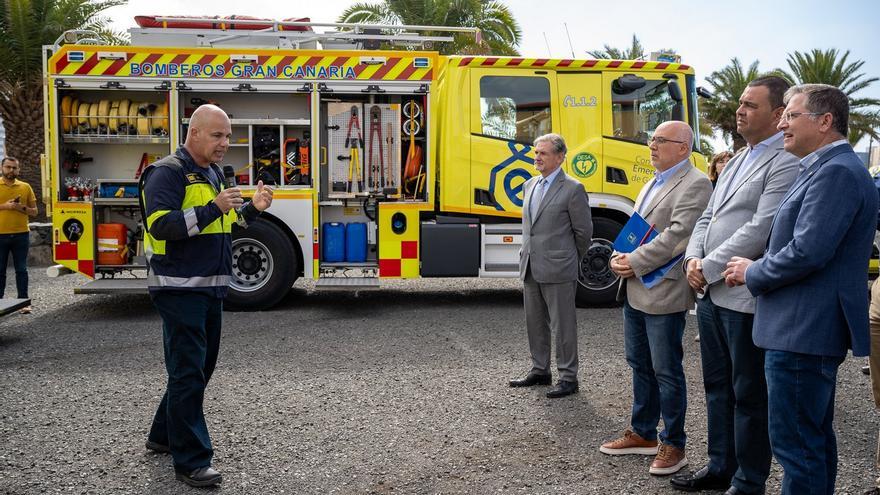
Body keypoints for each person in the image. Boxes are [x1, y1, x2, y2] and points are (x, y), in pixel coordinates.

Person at [725, 84, 877, 495]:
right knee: (811, 441)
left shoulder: (837, 172)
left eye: (791, 115)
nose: (782, 123)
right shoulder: (825, 167)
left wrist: (753, 271)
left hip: (802, 330)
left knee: (798, 448)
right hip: (802, 329)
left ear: (825, 121)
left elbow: (808, 251)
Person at [673, 76, 799, 495]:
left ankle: (748, 480)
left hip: (742, 295)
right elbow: (707, 215)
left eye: (750, 104)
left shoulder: (784, 160)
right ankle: (719, 466)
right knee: (716, 387)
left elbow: (760, 227)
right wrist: (692, 258)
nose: (740, 110)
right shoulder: (739, 157)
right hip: (711, 293)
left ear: (778, 114)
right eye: (740, 102)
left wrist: (706, 266)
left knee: (748, 393)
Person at [139, 104, 274, 488]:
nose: (225, 144)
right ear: (193, 132)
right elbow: (161, 225)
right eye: (218, 135)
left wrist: (253, 210)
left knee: (197, 370)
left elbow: (226, 223)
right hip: (180, 289)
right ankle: (192, 461)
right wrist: (213, 206)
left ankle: (163, 436)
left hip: (209, 287)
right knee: (188, 373)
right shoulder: (166, 173)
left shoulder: (211, 172)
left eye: (228, 136)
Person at [600, 121, 712, 476]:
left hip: (663, 290)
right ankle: (643, 432)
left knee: (666, 370)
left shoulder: (696, 183)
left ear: (683, 147)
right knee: (639, 363)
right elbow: (638, 229)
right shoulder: (653, 181)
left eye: (660, 141)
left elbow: (679, 236)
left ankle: (673, 443)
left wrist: (634, 261)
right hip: (635, 289)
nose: (651, 145)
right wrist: (619, 255)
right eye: (651, 139)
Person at [509, 133, 592, 399]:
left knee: (563, 325)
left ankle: (568, 378)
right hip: (531, 264)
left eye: (543, 153)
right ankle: (540, 370)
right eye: (536, 153)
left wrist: (569, 258)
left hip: (558, 267)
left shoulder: (573, 188)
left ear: (560, 157)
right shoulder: (530, 185)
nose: (537, 158)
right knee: (535, 322)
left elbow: (583, 233)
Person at [0, 156, 37, 313]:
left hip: (21, 234)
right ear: (2, 168)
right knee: (0, 271)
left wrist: (19, 207)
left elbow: (34, 212)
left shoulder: (25, 186)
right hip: (0, 235)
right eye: (8, 167)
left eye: (14, 168)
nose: (11, 170)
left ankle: (23, 303)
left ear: (18, 169)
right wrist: (6, 206)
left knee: (21, 270)